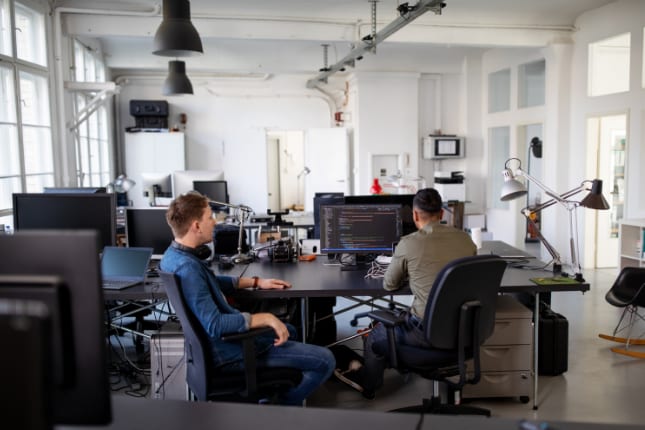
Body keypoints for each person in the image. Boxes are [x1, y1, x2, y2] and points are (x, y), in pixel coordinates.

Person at [160, 192, 335, 405]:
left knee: (292, 331)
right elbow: (215, 324)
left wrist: (256, 282)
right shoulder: (188, 268)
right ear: (196, 226)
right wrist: (267, 318)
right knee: (326, 360)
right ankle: (278, 408)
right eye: (210, 217)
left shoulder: (175, 256)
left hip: (215, 347)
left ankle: (280, 383)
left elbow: (210, 282)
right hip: (229, 352)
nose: (215, 222)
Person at [335, 188, 476, 398]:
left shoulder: (409, 243)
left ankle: (368, 384)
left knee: (376, 335)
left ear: (415, 215)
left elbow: (390, 285)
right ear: (442, 214)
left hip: (423, 333)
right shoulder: (466, 240)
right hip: (464, 331)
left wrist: (414, 271)